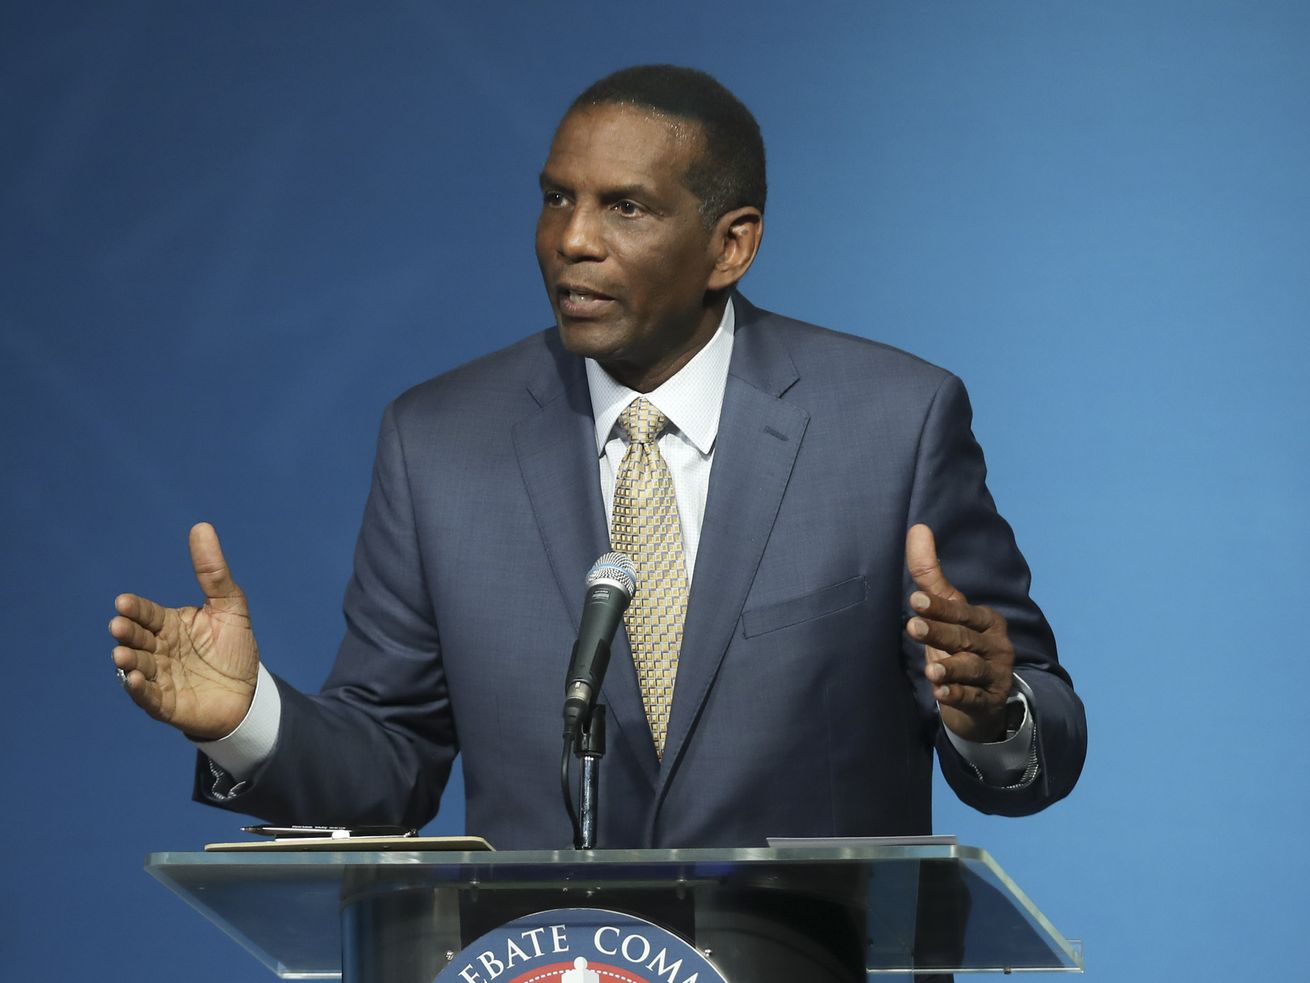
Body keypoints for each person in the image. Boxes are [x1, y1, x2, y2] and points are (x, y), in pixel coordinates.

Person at [109, 65, 1085, 850]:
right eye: (554, 198)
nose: (570, 239)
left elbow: (1038, 743)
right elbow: (390, 765)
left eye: (624, 208)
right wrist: (246, 715)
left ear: (729, 245)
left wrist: (992, 711)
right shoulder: (439, 441)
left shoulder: (892, 420)